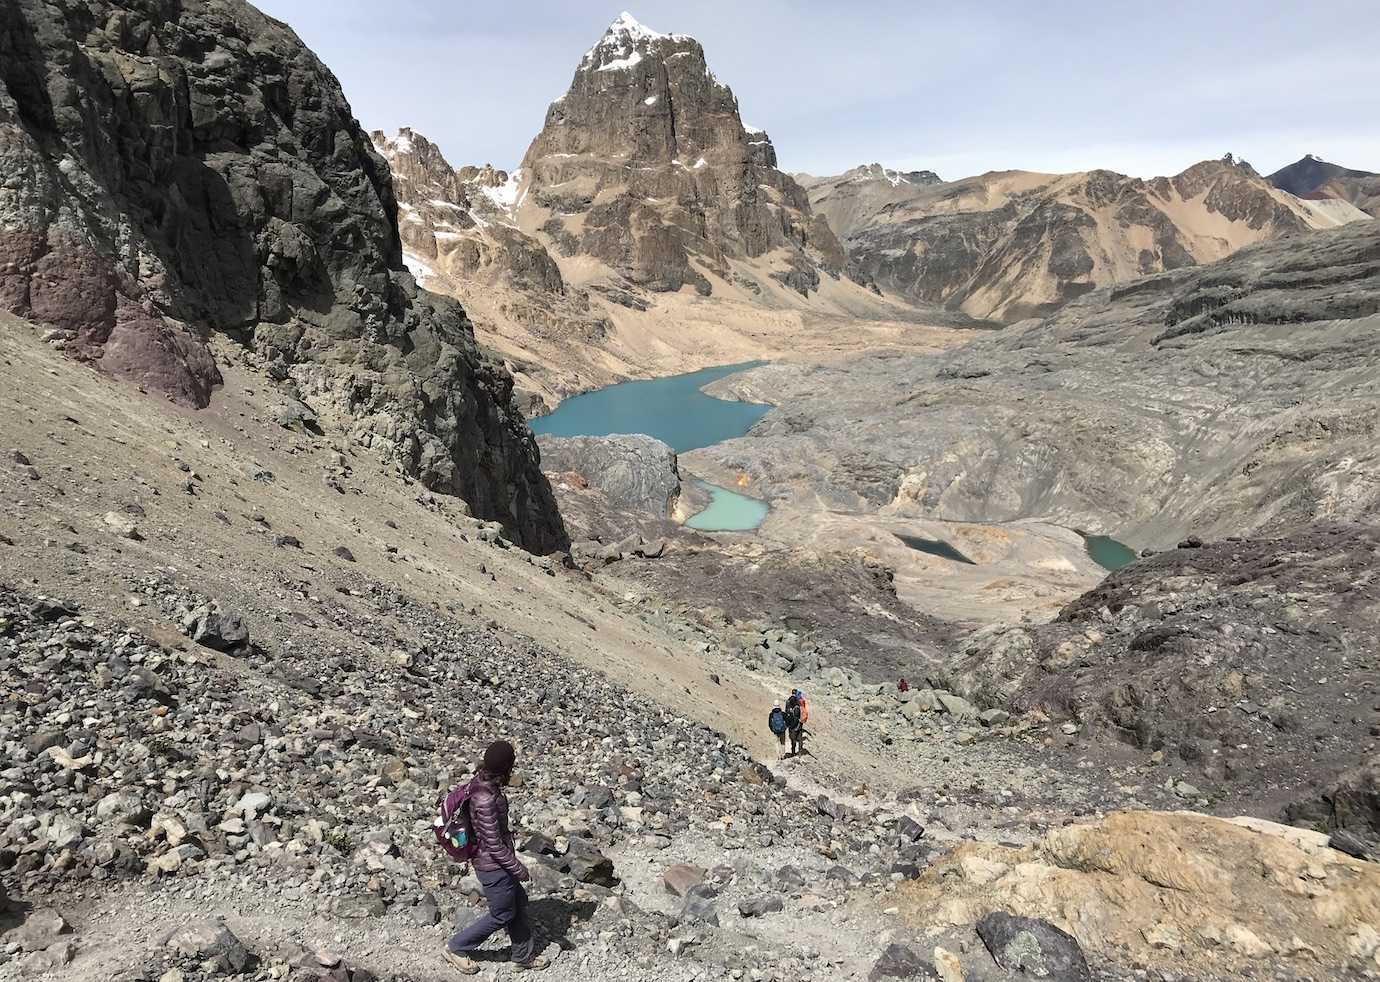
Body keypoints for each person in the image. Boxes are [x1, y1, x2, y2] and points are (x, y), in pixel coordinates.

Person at [443, 741, 549, 975]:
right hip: (492, 866)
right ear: (506, 766)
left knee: (518, 903)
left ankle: (522, 956)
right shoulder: (485, 799)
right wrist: (518, 867)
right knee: (502, 914)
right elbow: (493, 844)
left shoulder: (486, 782)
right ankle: (456, 947)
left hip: (497, 862)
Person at [784, 690, 805, 758]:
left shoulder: (788, 701)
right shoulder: (799, 703)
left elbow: (786, 713)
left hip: (792, 725)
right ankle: (799, 753)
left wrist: (788, 724)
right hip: (799, 724)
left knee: (793, 739)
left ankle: (793, 752)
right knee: (799, 739)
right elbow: (798, 716)